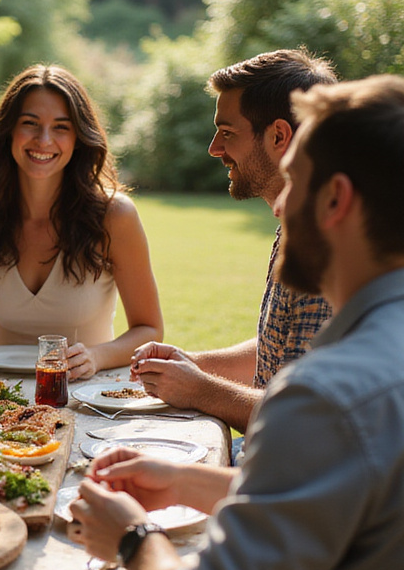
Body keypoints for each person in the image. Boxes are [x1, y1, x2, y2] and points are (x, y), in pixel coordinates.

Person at [71, 75, 404, 570]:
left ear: (335, 200)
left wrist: (132, 536)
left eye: (295, 186)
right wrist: (189, 482)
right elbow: (350, 504)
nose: (279, 211)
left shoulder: (324, 396)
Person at [131, 49, 337, 432]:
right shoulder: (294, 226)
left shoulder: (326, 248)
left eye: (227, 132)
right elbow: (279, 349)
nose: (214, 148)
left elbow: (304, 421)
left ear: (279, 136)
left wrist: (200, 390)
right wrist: (191, 364)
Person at [0, 64, 163, 379]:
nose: (44, 140)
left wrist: (96, 357)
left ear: (79, 137)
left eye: (61, 127)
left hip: (82, 394)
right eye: (30, 123)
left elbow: (149, 329)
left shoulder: (115, 217)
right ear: (8, 131)